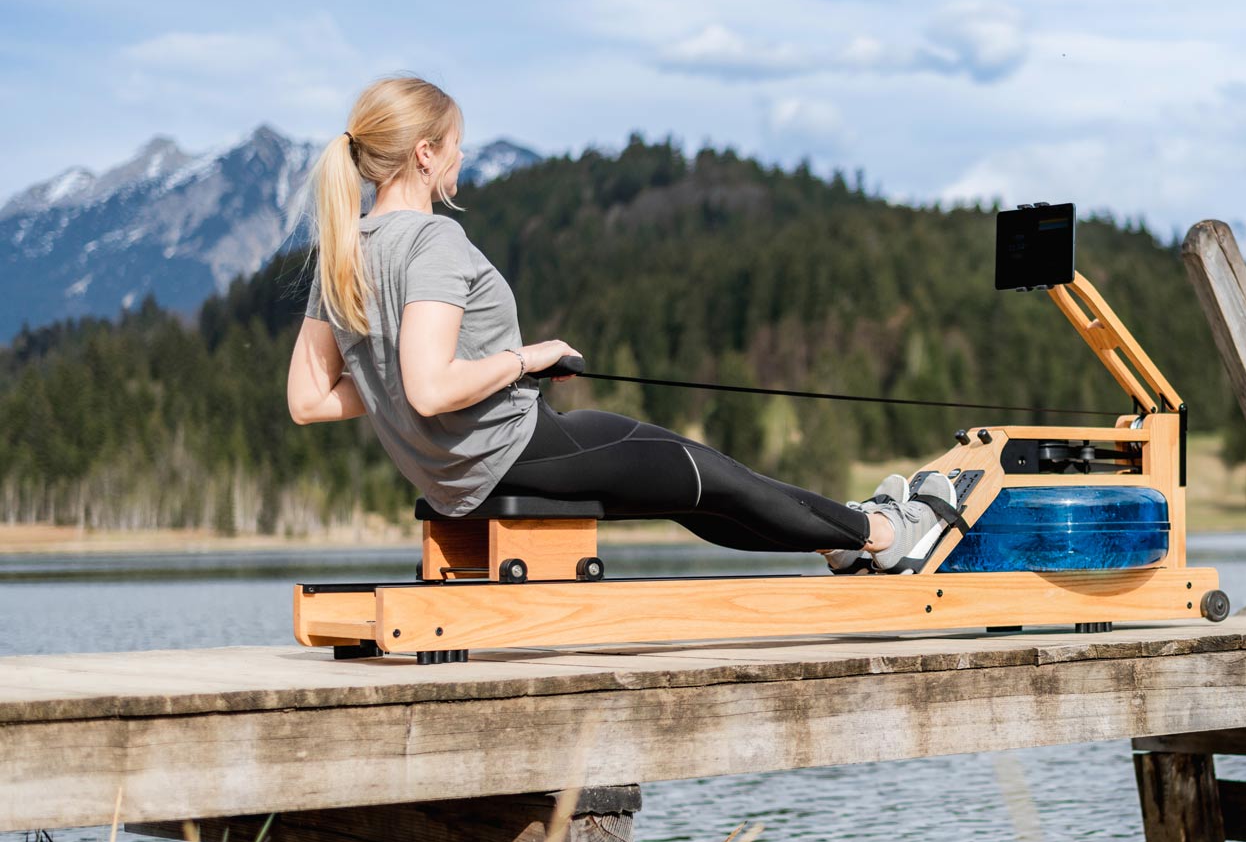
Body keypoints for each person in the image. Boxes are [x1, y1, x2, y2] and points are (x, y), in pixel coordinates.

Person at [285, 75, 953, 573]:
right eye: (458, 146)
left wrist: (393, 380)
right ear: (426, 153)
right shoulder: (431, 241)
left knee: (695, 484)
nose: (463, 160)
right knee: (706, 477)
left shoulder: (346, 252)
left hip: (470, 469)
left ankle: (845, 538)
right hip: (515, 451)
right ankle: (886, 535)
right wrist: (526, 356)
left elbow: (311, 400)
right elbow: (429, 387)